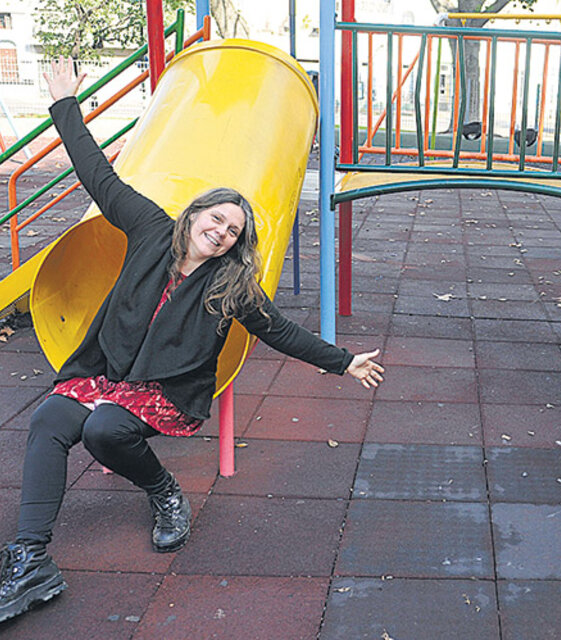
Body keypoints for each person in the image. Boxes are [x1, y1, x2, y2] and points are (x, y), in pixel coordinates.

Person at [0, 57, 385, 623]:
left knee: (105, 428)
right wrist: (63, 104)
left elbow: (280, 331)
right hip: (104, 371)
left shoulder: (231, 285)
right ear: (196, 213)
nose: (222, 232)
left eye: (233, 231)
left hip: (165, 389)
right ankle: (31, 557)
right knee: (50, 420)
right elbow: (97, 176)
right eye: (217, 219)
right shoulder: (151, 227)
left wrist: (344, 361)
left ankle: (164, 490)